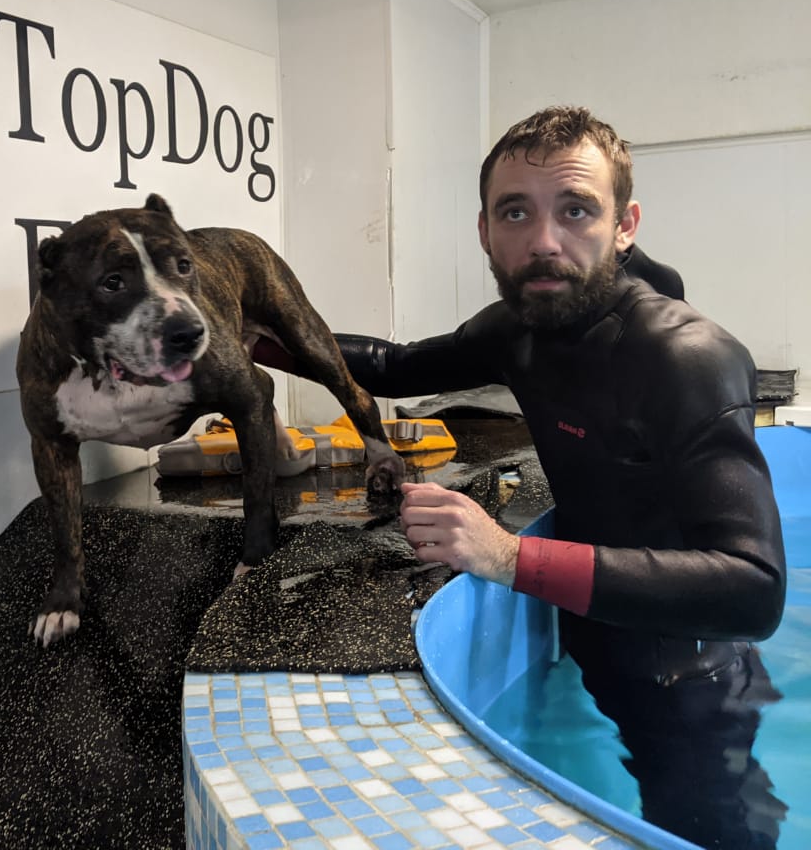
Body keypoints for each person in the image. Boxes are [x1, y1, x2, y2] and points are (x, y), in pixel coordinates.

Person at [259, 105, 787, 848]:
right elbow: (395, 367)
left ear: (625, 225)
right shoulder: (519, 329)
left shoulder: (687, 358)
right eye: (516, 212)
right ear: (484, 231)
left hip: (688, 681)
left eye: (576, 210)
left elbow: (753, 590)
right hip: (589, 643)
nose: (543, 241)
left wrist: (508, 556)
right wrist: (247, 335)